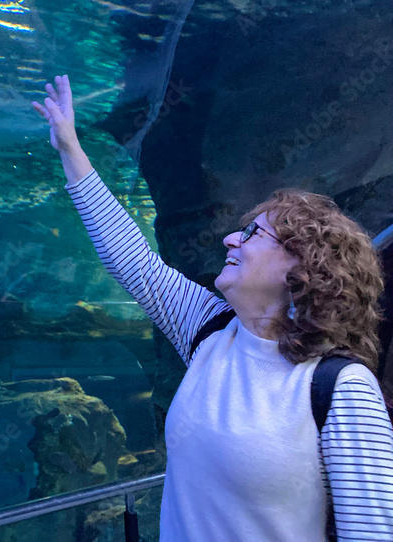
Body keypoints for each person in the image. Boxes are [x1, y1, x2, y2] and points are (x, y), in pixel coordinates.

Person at [33, 74, 393, 541]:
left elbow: (371, 532)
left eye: (253, 233)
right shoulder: (211, 332)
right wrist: (70, 146)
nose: (230, 239)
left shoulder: (340, 387)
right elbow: (132, 260)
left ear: (305, 267)